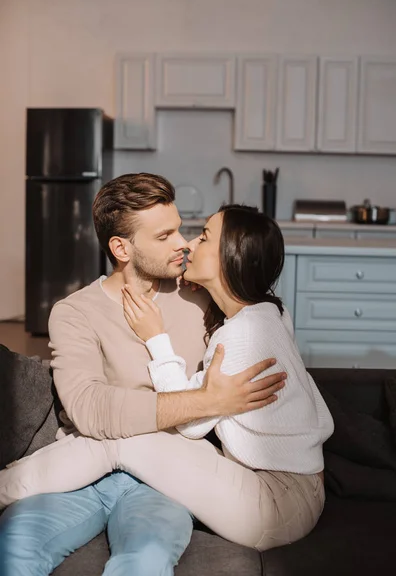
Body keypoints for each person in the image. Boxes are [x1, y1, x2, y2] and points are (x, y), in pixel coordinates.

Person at [0, 200, 334, 552]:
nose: (187, 244)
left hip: (274, 503)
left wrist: (156, 337)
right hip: (295, 487)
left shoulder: (244, 334)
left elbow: (191, 427)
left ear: (229, 257)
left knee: (119, 440)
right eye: (171, 234)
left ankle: (6, 485)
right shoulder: (267, 312)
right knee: (120, 437)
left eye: (203, 238)